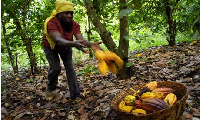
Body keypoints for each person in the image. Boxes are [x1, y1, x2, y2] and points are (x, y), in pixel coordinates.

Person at [42, 0, 102, 102]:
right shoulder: (52, 22)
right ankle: (50, 89)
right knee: (56, 68)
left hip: (66, 47)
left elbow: (81, 40)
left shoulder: (74, 25)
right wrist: (74, 43)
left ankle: (75, 95)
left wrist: (92, 44)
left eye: (71, 13)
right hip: (51, 47)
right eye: (66, 13)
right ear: (59, 14)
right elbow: (57, 40)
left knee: (70, 69)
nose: (70, 16)